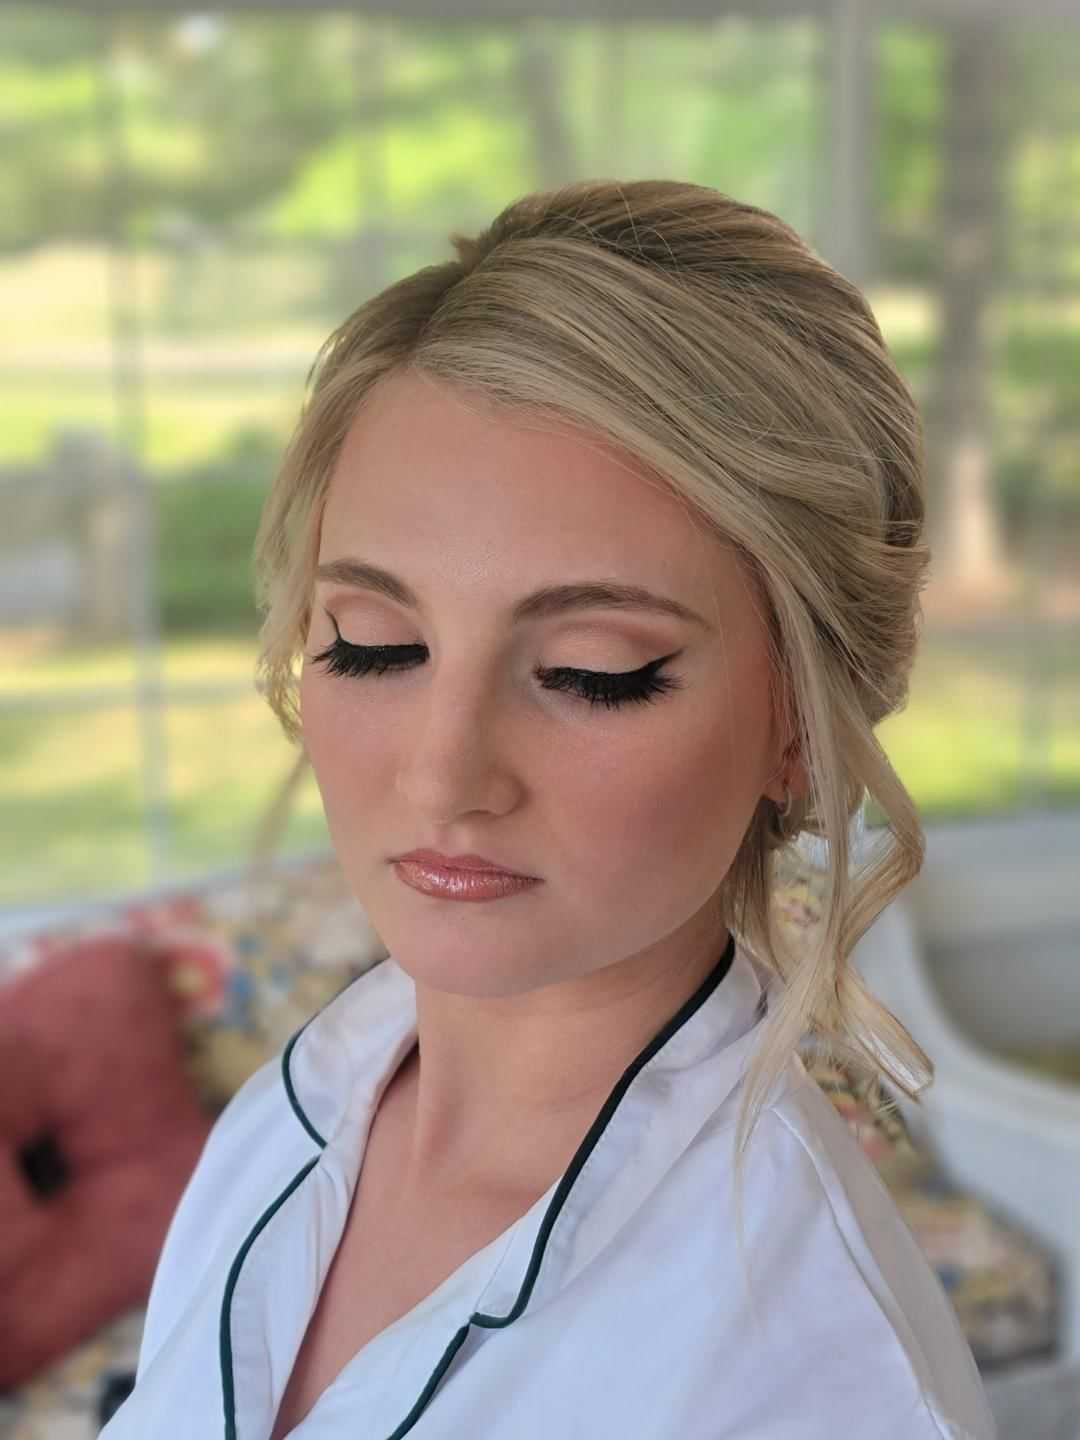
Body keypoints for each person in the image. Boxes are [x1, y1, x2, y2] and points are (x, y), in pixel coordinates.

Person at [100, 179, 997, 1439]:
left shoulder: (812, 1373)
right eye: (373, 644)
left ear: (799, 722)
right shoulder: (288, 1124)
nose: (444, 775)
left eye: (593, 671)